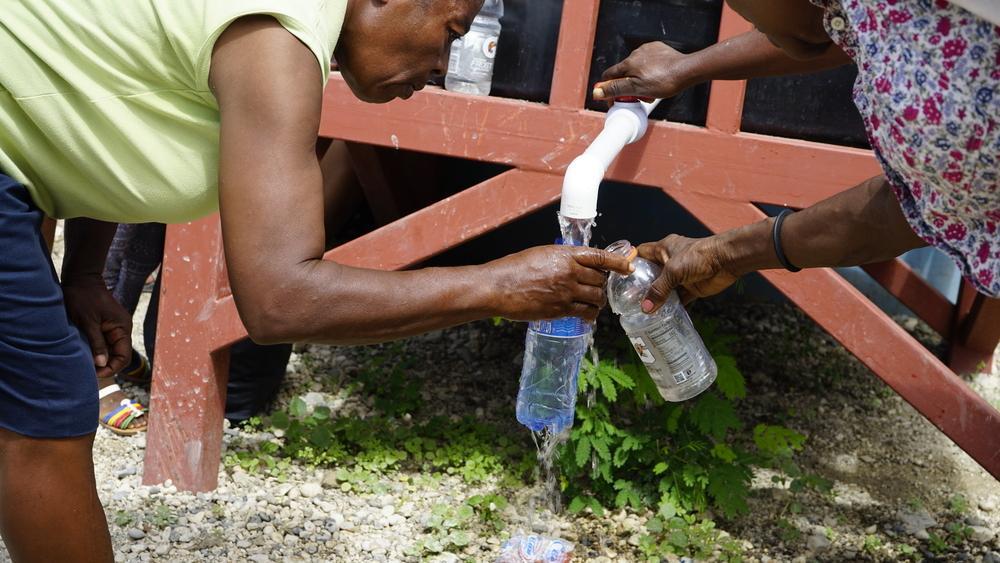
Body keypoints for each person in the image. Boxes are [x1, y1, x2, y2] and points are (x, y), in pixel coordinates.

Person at [0, 1, 634, 561]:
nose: (444, 63)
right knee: (45, 413)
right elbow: (279, 300)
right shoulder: (279, 34)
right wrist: (497, 287)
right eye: (451, 31)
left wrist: (83, 272)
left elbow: (103, 100)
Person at [593, 0, 999, 310]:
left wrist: (724, 254)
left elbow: (896, 215)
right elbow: (846, 27)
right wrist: (688, 67)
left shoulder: (950, 115)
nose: (747, 19)